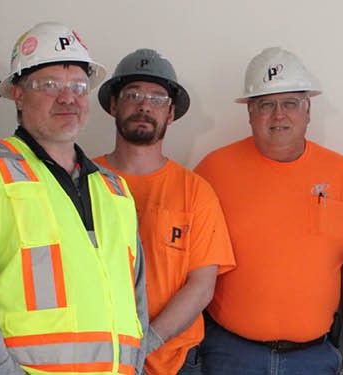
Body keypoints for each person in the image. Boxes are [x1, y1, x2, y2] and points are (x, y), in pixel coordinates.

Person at [0, 22, 149, 374]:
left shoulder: (114, 190)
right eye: (49, 85)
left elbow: (136, 307)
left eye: (78, 86)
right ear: (18, 94)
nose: (67, 98)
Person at [193, 47, 343, 375]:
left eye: (290, 103)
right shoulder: (212, 171)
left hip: (315, 360)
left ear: (308, 110)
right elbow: (187, 265)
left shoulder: (342, 174)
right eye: (266, 104)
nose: (279, 115)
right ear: (250, 112)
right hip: (229, 355)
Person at [94, 48, 236, 374]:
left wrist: (148, 342)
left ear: (170, 114)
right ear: (114, 105)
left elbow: (201, 285)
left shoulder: (195, 191)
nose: (145, 105)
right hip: (99, 356)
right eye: (134, 95)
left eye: (157, 99)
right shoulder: (83, 181)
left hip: (176, 361)